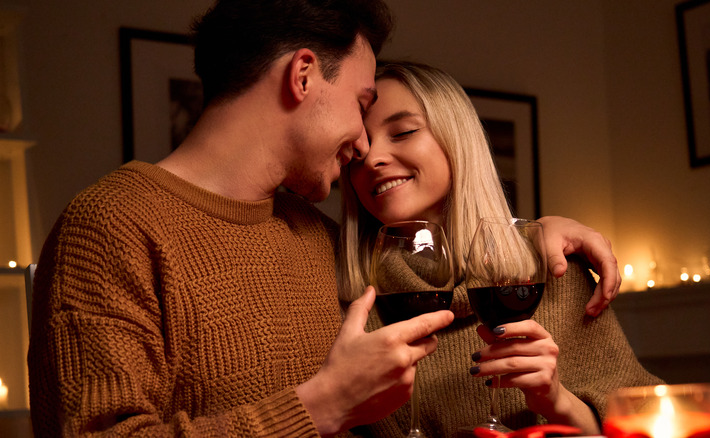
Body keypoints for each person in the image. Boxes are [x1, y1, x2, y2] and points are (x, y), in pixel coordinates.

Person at [28, 1, 459, 437]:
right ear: (303, 75)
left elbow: (433, 302)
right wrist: (319, 407)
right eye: (360, 103)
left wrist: (528, 254)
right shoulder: (108, 226)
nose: (365, 145)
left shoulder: (317, 236)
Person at [337, 61, 663, 437]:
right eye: (357, 149)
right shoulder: (348, 301)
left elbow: (651, 420)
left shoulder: (551, 270)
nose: (372, 158)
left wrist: (557, 401)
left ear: (456, 138)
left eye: (403, 132)